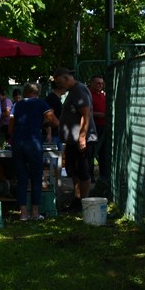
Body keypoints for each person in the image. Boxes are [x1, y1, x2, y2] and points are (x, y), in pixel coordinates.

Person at [9, 82, 58, 221]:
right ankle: (35, 212)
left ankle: (23, 213)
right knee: (36, 178)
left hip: (18, 143)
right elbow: (52, 120)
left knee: (22, 178)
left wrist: (11, 136)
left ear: (25, 92)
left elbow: (11, 123)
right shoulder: (41, 104)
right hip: (33, 142)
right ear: (38, 93)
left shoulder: (17, 104)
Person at [54, 67, 96, 211]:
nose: (59, 86)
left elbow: (86, 114)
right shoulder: (72, 91)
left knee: (83, 172)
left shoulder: (79, 90)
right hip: (72, 140)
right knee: (73, 171)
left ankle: (85, 203)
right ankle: (77, 200)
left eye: (60, 82)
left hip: (81, 140)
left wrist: (82, 137)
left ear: (66, 79)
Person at [88, 75, 108, 182]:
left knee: (104, 152)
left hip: (104, 126)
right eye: (98, 83)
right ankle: (90, 176)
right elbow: (86, 111)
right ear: (91, 83)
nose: (100, 85)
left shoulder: (103, 95)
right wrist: (98, 114)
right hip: (93, 127)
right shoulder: (89, 95)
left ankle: (103, 176)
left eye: (101, 83)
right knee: (91, 151)